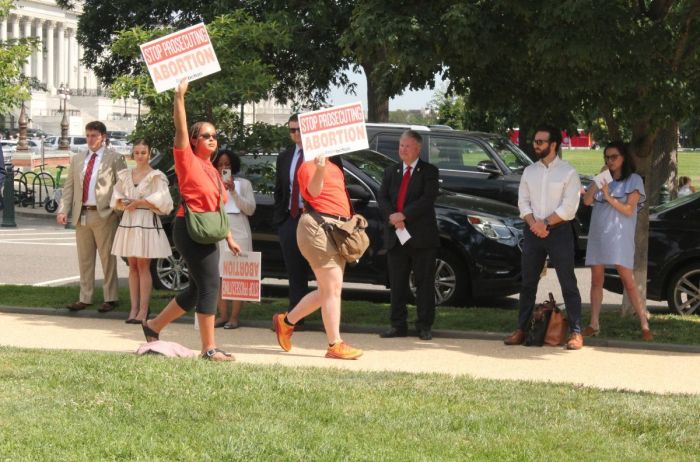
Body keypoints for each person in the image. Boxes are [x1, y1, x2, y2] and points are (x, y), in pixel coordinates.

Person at [140, 78, 241, 361]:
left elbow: (217, 207)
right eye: (206, 135)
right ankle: (209, 349)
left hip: (208, 231)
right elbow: (180, 128)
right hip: (190, 229)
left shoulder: (211, 168)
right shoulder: (187, 159)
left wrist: (229, 237)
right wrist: (179, 98)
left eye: (214, 135)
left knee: (197, 289)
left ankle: (153, 325)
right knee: (210, 285)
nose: (212, 139)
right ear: (195, 141)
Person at [272, 153, 363, 360]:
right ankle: (335, 344)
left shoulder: (334, 165)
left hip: (336, 229)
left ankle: (285, 322)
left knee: (326, 290)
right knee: (332, 288)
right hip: (318, 226)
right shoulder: (308, 165)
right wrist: (320, 169)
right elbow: (313, 193)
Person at [504, 124, 584, 350]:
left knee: (568, 282)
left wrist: (545, 223)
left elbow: (570, 207)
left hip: (559, 232)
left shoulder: (568, 172)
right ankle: (521, 329)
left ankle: (576, 332)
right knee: (528, 282)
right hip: (533, 232)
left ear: (553, 144)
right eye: (535, 141)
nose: (535, 145)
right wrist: (534, 224)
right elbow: (523, 202)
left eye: (540, 142)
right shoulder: (530, 171)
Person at [582, 141, 652, 341]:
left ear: (623, 158)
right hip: (599, 233)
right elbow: (587, 201)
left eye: (614, 157)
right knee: (596, 279)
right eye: (607, 157)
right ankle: (594, 323)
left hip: (620, 235)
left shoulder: (634, 180)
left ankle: (644, 323)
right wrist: (599, 178)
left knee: (627, 280)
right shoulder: (602, 178)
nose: (610, 161)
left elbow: (629, 210)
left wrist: (608, 197)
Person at [57, 121, 127, 312]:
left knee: (107, 259)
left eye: (94, 135)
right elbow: (69, 187)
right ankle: (85, 297)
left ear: (103, 137)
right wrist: (63, 210)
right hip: (82, 215)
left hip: (104, 214)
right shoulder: (78, 159)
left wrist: (117, 211)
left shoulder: (114, 158)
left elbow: (122, 187)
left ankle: (110, 298)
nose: (90, 139)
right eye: (87, 135)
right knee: (85, 258)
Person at [377, 130, 440, 341]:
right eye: (401, 145)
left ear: (418, 148)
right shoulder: (391, 171)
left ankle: (424, 325)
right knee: (397, 283)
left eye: (407, 146)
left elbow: (427, 199)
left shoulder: (429, 171)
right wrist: (393, 217)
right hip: (396, 236)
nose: (402, 149)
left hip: (421, 237)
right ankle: (397, 324)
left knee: (424, 283)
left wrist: (404, 215)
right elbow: (383, 197)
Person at [110, 139, 173, 323]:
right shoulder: (125, 174)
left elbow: (163, 200)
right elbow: (116, 195)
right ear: (132, 154)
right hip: (130, 221)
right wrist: (123, 202)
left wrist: (140, 202)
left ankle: (143, 310)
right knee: (133, 266)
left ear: (149, 154)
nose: (140, 156)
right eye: (137, 152)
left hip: (146, 220)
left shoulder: (156, 176)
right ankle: (134, 308)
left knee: (144, 266)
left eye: (143, 152)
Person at [273, 114, 310, 329]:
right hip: (290, 218)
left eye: (299, 129)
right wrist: (281, 218)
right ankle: (296, 319)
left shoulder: (321, 155)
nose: (296, 134)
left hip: (313, 219)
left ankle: (328, 318)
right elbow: (280, 189)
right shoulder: (285, 156)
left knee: (320, 271)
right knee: (294, 270)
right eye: (292, 130)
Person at [212, 149, 256, 329]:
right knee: (219, 276)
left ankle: (234, 317)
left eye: (227, 164)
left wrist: (234, 193)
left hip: (240, 233)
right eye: (220, 164)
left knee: (238, 276)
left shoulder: (243, 184)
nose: (224, 168)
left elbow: (250, 209)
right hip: (218, 232)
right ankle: (222, 315)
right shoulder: (212, 182)